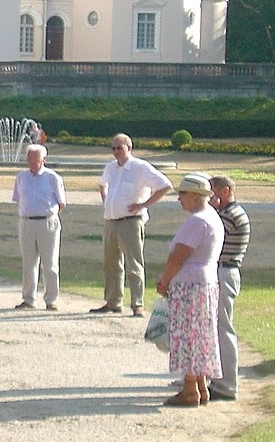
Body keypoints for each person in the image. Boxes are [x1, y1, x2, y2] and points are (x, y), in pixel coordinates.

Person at [155, 173, 225, 407]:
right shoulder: (212, 217)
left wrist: (164, 281)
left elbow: (178, 257)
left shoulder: (197, 221)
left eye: (183, 194)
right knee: (200, 334)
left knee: (187, 336)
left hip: (190, 285)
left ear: (196, 195)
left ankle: (189, 389)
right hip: (205, 281)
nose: (179, 199)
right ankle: (200, 386)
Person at [93, 133, 173, 317]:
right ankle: (113, 301)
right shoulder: (111, 168)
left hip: (131, 221)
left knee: (134, 263)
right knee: (111, 263)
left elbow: (165, 185)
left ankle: (137, 303)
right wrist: (106, 200)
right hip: (111, 220)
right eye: (113, 148)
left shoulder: (140, 167)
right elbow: (102, 184)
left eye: (119, 148)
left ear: (129, 148)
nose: (115, 152)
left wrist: (144, 204)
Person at [208, 175, 250, 401]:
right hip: (222, 271)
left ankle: (226, 385)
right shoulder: (227, 213)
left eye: (212, 191)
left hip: (224, 271)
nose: (208, 197)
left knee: (222, 328)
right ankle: (210, 378)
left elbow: (208, 239)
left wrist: (208, 210)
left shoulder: (230, 215)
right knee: (213, 327)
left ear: (224, 191)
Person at [11, 144, 65, 310]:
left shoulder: (52, 177)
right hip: (26, 222)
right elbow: (18, 199)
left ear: (44, 160)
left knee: (50, 263)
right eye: (29, 159)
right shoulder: (21, 177)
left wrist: (48, 215)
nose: (32, 163)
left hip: (47, 222)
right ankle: (29, 299)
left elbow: (61, 203)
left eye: (36, 159)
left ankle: (51, 299)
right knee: (28, 263)